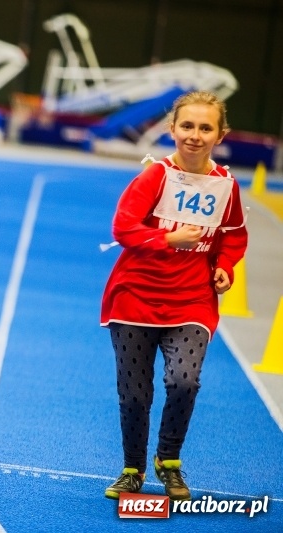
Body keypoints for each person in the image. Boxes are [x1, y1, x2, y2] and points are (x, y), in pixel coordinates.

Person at [100, 90, 247, 501]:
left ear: (220, 134)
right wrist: (169, 238)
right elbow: (123, 229)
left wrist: (225, 266)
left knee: (184, 381)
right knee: (134, 392)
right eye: (187, 126)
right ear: (172, 130)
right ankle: (132, 468)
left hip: (192, 302)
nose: (195, 135)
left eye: (205, 128)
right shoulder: (154, 177)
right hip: (135, 299)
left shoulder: (226, 187)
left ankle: (169, 460)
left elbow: (234, 236)